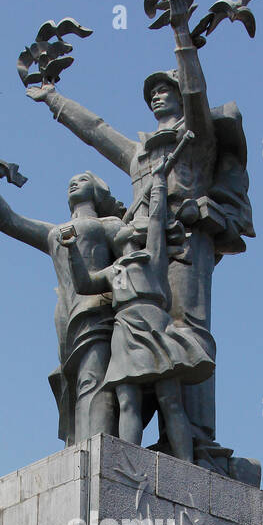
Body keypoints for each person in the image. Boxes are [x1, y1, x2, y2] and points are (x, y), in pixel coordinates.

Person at [27, 0, 254, 466]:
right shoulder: (139, 156)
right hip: (140, 255)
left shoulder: (196, 141)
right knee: (134, 356)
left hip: (185, 247)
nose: (156, 94)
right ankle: (126, 445)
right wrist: (52, 98)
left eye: (164, 87)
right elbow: (96, 129)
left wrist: (179, 33)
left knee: (187, 337)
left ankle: (194, 442)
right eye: (152, 90)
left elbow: (197, 96)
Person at [0, 115, 124, 444]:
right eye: (70, 181)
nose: (73, 183)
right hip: (65, 318)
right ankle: (79, 450)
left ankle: (99, 450)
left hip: (98, 312)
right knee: (74, 385)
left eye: (82, 179)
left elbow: (135, 259)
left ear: (99, 190)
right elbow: (7, 220)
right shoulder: (54, 234)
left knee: (96, 381)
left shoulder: (108, 226)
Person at [60, 156, 214, 461]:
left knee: (169, 398)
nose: (126, 228)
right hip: (124, 329)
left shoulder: (153, 258)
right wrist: (72, 252)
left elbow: (156, 218)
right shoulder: (114, 270)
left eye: (134, 227)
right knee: (126, 398)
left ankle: (185, 465)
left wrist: (158, 181)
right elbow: (85, 284)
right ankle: (128, 461)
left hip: (155, 326)